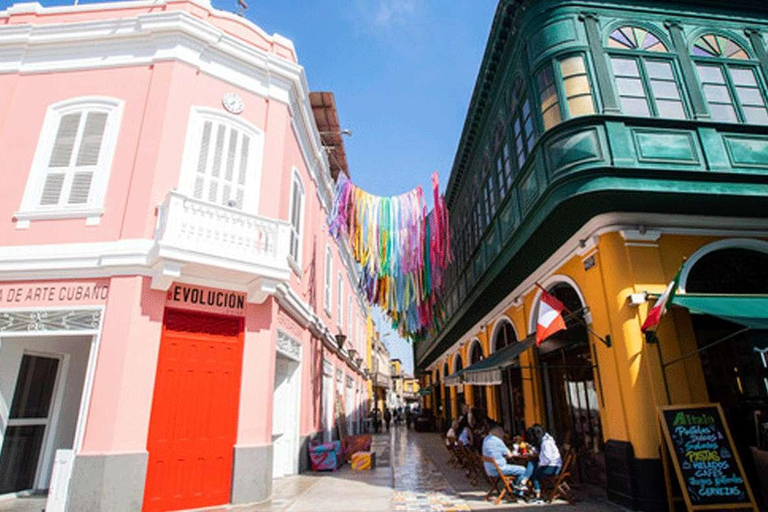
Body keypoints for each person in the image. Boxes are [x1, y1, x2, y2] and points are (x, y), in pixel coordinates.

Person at [516, 424, 562, 503]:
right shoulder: (547, 440)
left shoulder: (546, 443)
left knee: (534, 475)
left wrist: (540, 464)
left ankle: (536, 493)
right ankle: (524, 483)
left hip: (552, 467)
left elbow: (547, 458)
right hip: (552, 465)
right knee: (532, 463)